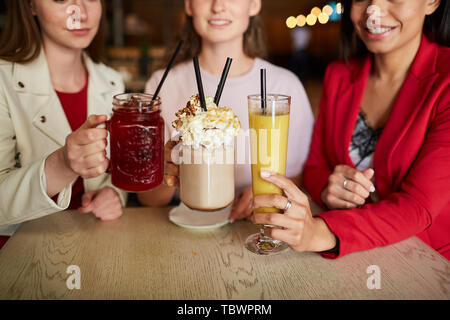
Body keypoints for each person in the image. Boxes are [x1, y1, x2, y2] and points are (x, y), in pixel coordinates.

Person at [249, 0, 450, 259]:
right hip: (352, 260)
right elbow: (315, 166)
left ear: (432, 2)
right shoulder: (338, 75)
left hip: (426, 264)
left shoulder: (444, 82)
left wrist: (320, 231)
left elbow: (419, 206)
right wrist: (328, 188)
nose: (373, 10)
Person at [138, 0, 315, 222]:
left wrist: (265, 195)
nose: (218, 6)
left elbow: (300, 179)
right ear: (189, 6)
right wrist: (164, 175)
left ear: (254, 5)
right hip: (181, 224)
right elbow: (148, 199)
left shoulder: (284, 88)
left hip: (256, 227)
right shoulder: (162, 85)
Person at [0, 0, 128, 249]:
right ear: (30, 6)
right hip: (18, 257)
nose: (79, 11)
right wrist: (63, 164)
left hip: (92, 249)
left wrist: (114, 194)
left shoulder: (112, 83)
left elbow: (115, 172)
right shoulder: (3, 81)